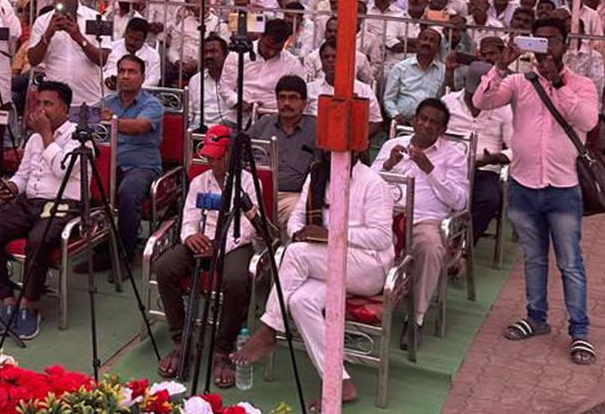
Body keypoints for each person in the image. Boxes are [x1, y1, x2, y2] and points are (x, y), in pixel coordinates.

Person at [473, 16, 600, 366]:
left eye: (552, 41)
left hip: (562, 188)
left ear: (565, 44)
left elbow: (588, 121)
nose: (546, 48)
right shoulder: (519, 80)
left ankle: (580, 331)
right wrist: (500, 65)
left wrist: (558, 82)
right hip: (524, 185)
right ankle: (536, 317)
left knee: (570, 263)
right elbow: (482, 101)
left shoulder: (581, 84)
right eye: (539, 41)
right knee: (534, 257)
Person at [231, 151, 395, 408]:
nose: (334, 153)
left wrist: (330, 234)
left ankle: (269, 329)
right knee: (299, 301)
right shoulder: (318, 175)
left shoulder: (373, 183)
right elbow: (296, 220)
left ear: (356, 151)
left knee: (293, 253)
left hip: (367, 267)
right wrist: (303, 234)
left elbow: (382, 237)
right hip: (325, 262)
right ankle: (340, 382)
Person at [0, 81, 82, 341]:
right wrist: (10, 186)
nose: (40, 110)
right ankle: (6, 298)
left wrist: (46, 135)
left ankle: (29, 304)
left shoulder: (78, 136)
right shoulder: (34, 138)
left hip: (61, 205)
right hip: (28, 202)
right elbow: (23, 176)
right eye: (38, 103)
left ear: (64, 109)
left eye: (48, 104)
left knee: (38, 240)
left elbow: (63, 171)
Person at [155, 124, 259, 388]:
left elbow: (248, 227)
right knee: (165, 266)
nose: (211, 160)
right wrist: (190, 236)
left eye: (217, 155)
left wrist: (220, 245)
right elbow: (189, 215)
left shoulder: (249, 182)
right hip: (201, 240)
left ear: (230, 155)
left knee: (236, 281)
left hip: (234, 244)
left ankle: (223, 349)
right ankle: (181, 341)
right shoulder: (200, 181)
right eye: (209, 155)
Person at [377, 98, 469, 350]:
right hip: (385, 215)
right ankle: (362, 310)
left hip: (422, 220)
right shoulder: (393, 145)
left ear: (442, 131)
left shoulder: (453, 155)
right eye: (423, 119)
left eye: (434, 123)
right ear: (415, 120)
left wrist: (430, 169)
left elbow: (461, 201)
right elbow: (368, 181)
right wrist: (388, 165)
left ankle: (415, 319)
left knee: (430, 248)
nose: (427, 126)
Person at [82, 55, 164, 276]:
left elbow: (140, 126)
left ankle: (125, 255)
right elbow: (82, 120)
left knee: (128, 192)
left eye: (132, 71)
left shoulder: (152, 104)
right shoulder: (107, 102)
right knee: (84, 183)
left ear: (142, 77)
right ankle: (101, 250)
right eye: (122, 71)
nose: (125, 76)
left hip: (141, 166)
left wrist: (112, 120)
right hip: (109, 164)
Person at [443, 62, 513, 241]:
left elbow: (516, 148)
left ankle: (463, 246)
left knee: (489, 200)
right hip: (448, 165)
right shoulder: (448, 102)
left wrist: (495, 158)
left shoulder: (504, 108)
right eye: (472, 95)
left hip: (485, 168)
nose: (476, 102)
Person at [27, 0, 110, 117]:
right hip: (55, 104)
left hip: (89, 100)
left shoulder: (97, 19)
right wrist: (48, 34)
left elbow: (102, 59)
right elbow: (33, 60)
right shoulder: (43, 21)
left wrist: (78, 37)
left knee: (88, 140)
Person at [247, 75, 321, 228]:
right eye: (282, 98)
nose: (286, 103)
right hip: (256, 193)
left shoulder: (316, 129)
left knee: (295, 217)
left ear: (304, 103)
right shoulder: (264, 124)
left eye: (293, 98)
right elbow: (240, 152)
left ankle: (286, 252)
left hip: (293, 197)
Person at [383, 27, 446, 124]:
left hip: (430, 125)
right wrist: (395, 115)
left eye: (432, 41)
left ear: (438, 48)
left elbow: (446, 100)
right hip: (403, 122)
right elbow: (389, 99)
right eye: (424, 39)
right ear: (417, 43)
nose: (427, 43)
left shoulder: (443, 71)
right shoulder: (400, 68)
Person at [187, 36, 238, 129]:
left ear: (225, 55)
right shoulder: (195, 80)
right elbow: (190, 113)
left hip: (227, 130)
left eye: (213, 51)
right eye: (205, 52)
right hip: (199, 130)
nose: (208, 56)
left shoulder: (236, 78)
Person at [103, 16, 162, 89]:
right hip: (109, 93)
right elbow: (98, 71)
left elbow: (154, 80)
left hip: (140, 96)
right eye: (130, 37)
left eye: (137, 40)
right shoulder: (111, 48)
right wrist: (105, 79)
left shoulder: (153, 55)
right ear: (125, 34)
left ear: (144, 39)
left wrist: (132, 87)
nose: (132, 42)